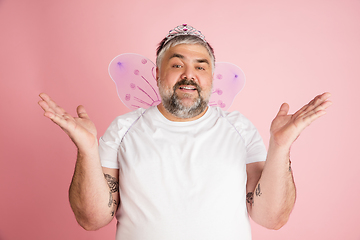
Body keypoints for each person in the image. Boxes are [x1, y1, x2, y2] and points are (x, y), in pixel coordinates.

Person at [38, 24, 332, 240]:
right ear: (156, 73)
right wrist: (87, 150)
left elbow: (272, 218)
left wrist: (280, 147)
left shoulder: (239, 128)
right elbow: (91, 220)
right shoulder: (124, 129)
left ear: (211, 77)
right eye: (177, 64)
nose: (189, 75)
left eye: (200, 67)